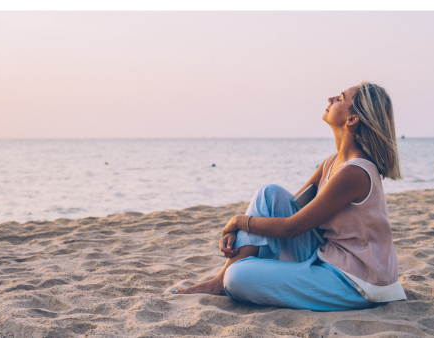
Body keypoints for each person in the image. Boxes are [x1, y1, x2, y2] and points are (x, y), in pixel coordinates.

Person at [172, 81, 407, 311]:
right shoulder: (331, 162)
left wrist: (236, 222)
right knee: (269, 194)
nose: (331, 99)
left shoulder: (355, 172)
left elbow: (290, 228)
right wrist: (245, 230)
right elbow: (286, 210)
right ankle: (219, 280)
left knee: (237, 277)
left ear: (352, 120)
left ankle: (227, 278)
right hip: (328, 255)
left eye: (341, 98)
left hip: (357, 280)